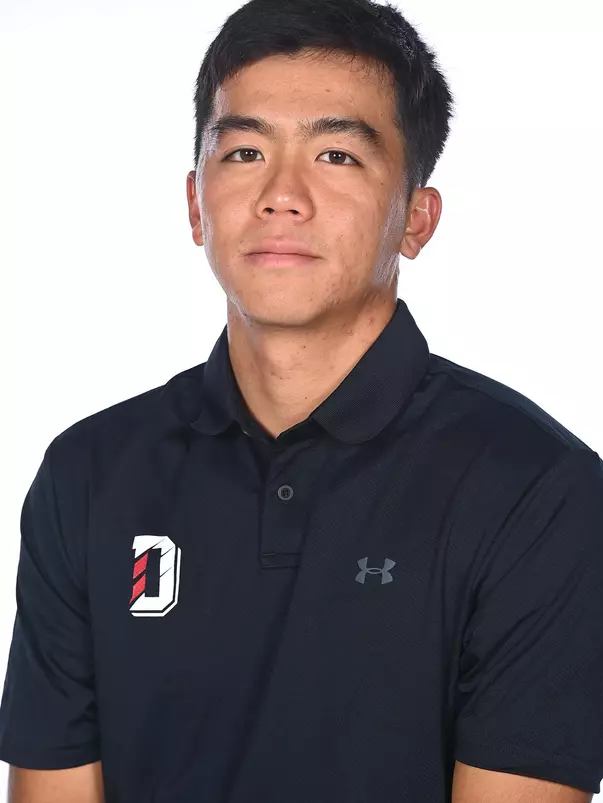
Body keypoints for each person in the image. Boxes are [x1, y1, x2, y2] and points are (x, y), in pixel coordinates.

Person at [0, 0, 602, 801]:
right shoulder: (89, 472)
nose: (282, 195)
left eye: (337, 157)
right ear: (194, 204)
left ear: (416, 219)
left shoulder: (538, 489)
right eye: (244, 151)